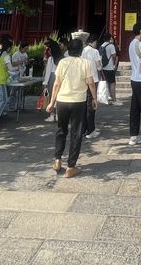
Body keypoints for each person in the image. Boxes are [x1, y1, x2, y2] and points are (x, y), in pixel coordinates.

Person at [46, 38, 97, 178]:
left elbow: (56, 84)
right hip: (78, 102)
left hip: (62, 101)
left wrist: (51, 102)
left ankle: (57, 159)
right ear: (81, 50)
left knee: (61, 130)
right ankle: (71, 166)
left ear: (68, 49)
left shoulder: (62, 62)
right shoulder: (85, 63)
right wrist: (94, 98)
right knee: (76, 133)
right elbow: (91, 83)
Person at [79, 33, 102, 139]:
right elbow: (99, 67)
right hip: (94, 79)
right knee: (92, 105)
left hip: (84, 80)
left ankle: (83, 128)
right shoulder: (95, 51)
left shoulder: (83, 51)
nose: (96, 44)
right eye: (96, 42)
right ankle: (90, 130)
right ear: (92, 42)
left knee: (84, 105)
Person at [43, 38, 65, 123]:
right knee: (59, 97)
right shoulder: (62, 58)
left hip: (52, 77)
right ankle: (59, 115)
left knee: (52, 97)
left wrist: (45, 83)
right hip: (60, 78)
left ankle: (52, 115)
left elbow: (48, 71)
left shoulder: (51, 59)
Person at [99, 32, 119, 105]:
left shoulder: (101, 46)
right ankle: (114, 100)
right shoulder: (111, 46)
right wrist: (114, 64)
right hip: (109, 67)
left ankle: (106, 99)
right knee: (112, 84)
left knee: (106, 83)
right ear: (110, 38)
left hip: (103, 67)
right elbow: (114, 55)